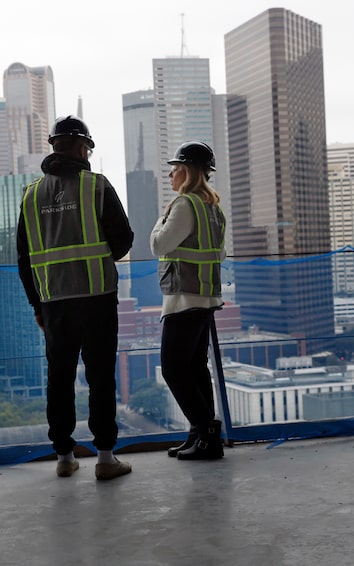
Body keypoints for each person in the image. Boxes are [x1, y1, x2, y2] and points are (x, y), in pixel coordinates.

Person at [17, 115, 134, 481]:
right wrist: (99, 255)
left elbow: (24, 257)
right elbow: (124, 238)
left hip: (54, 302)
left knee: (60, 377)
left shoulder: (32, 194)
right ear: (84, 148)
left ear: (55, 146)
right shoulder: (96, 186)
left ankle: (65, 457)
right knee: (100, 376)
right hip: (97, 296)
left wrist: (37, 304)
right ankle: (105, 457)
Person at [150, 141, 226, 461]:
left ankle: (206, 433)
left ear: (186, 171)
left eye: (175, 168)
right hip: (204, 298)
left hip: (183, 300)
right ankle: (201, 435)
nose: (170, 174)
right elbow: (218, 253)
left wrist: (161, 217)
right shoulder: (213, 208)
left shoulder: (183, 205)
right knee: (195, 369)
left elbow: (158, 245)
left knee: (174, 369)